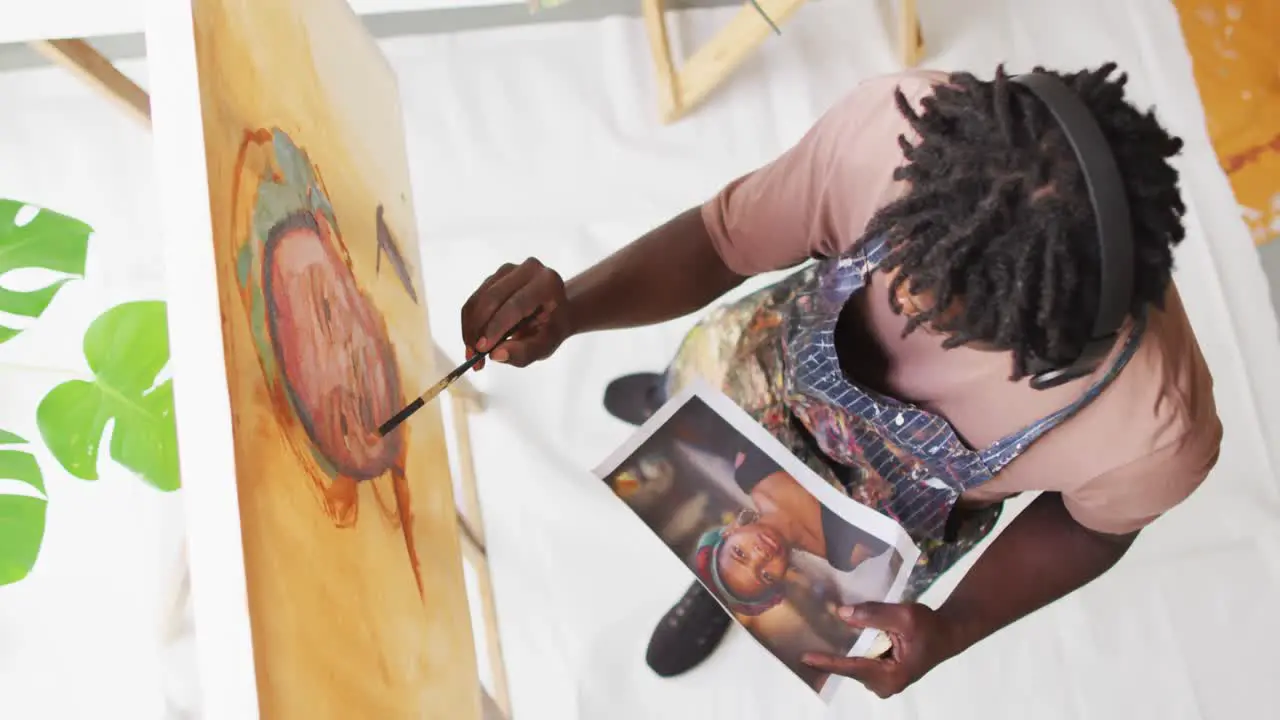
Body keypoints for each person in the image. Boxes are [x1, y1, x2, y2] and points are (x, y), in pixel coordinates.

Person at [459, 64, 1222, 698]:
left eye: (949, 315)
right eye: (906, 255)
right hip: (757, 363)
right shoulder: (890, 136)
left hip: (876, 522)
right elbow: (723, 241)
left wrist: (961, 624)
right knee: (691, 386)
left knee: (753, 558)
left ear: (1055, 341)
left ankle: (715, 592)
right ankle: (668, 396)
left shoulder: (1155, 428)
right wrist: (575, 310)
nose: (900, 306)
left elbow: (1092, 526)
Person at [691, 444, 895, 617]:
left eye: (740, 553)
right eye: (765, 575)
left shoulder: (748, 467)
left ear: (730, 532)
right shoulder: (850, 550)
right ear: (782, 578)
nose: (760, 556)